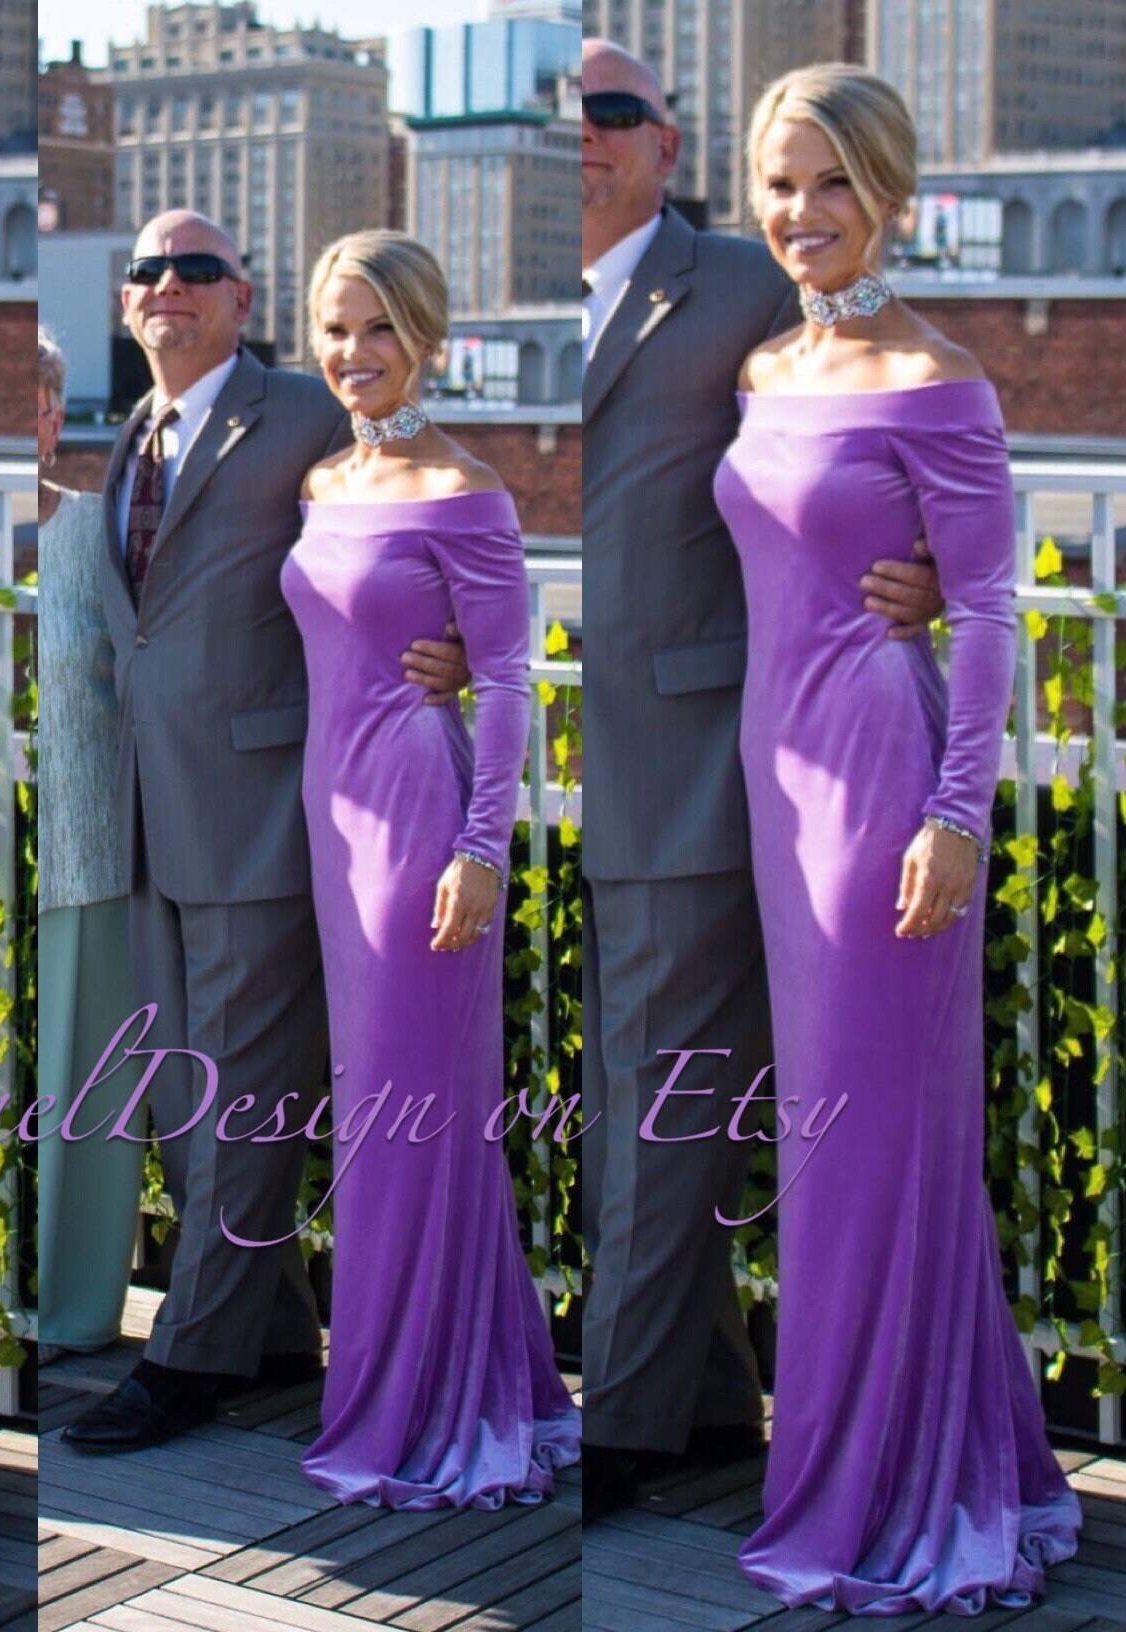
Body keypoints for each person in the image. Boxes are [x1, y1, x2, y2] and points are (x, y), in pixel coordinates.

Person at [714, 63, 1081, 1611]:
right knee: (849, 1144)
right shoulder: (762, 370)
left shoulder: (944, 377)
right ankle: (960, 1456)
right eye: (782, 185)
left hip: (882, 786)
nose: (803, 216)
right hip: (774, 778)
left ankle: (899, 1497)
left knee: (879, 1146)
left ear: (894, 196)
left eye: (833, 186)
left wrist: (953, 814)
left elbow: (992, 609)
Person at [577, 38, 944, 1522]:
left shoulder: (743, 281)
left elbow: (889, 400)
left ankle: (630, 1423)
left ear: (667, 145)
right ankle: (707, 1399)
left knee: (660, 1093)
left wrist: (940, 579)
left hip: (703, 758)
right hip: (477, 753)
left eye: (609, 109)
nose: (579, 134)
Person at [61, 210, 469, 1454]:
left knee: (240, 1085)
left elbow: (416, 496)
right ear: (126, 306)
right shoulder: (131, 431)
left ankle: (190, 1359)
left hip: (269, 802)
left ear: (245, 298)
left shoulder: (302, 411)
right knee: (193, 1092)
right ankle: (276, 1328)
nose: (167, 287)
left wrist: (455, 640)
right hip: (145, 806)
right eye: (147, 272)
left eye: (198, 270)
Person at [286, 230, 581, 1507]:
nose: (356, 356)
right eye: (337, 331)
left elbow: (511, 681)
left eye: (380, 331)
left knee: (416, 1119)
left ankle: (430, 1409)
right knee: (384, 1118)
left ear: (430, 339)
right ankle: (485, 1376)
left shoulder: (470, 488)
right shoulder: (319, 479)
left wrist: (478, 849)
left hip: (420, 821)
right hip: (331, 820)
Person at [35, 324, 144, 1364]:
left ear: (54, 417)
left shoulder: (93, 531)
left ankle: (70, 1314)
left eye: (36, 397)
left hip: (91, 849)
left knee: (91, 1101)